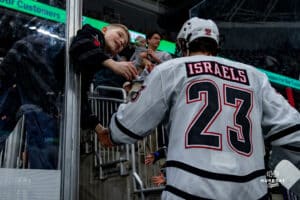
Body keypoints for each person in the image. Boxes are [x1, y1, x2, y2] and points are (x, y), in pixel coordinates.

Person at [97, 17, 300, 200]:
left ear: (184, 43)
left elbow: (127, 126)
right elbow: (293, 131)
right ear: (216, 45)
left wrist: (111, 133)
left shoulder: (171, 69)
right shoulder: (255, 76)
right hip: (250, 192)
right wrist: (286, 176)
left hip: (188, 190)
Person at [0, 22, 137, 169]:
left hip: (23, 66)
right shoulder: (93, 34)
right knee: (46, 138)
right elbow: (80, 47)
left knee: (5, 120)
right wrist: (113, 64)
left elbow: (80, 95)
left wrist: (97, 128)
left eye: (123, 45)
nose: (121, 42)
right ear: (104, 30)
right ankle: (45, 186)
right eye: (120, 35)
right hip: (32, 64)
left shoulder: (91, 62)